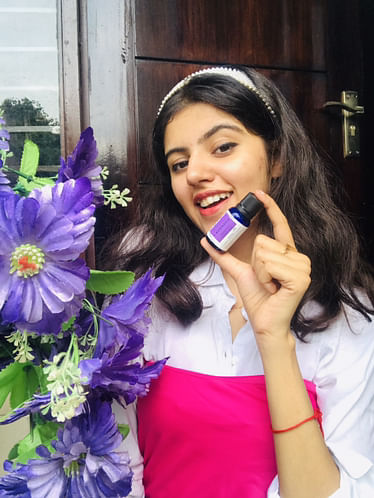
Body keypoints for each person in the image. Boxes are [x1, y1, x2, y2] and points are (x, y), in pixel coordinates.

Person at [108, 66, 374, 497]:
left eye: (223, 146)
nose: (194, 172)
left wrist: (273, 339)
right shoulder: (147, 289)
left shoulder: (346, 314)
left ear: (277, 158)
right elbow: (119, 463)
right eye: (179, 163)